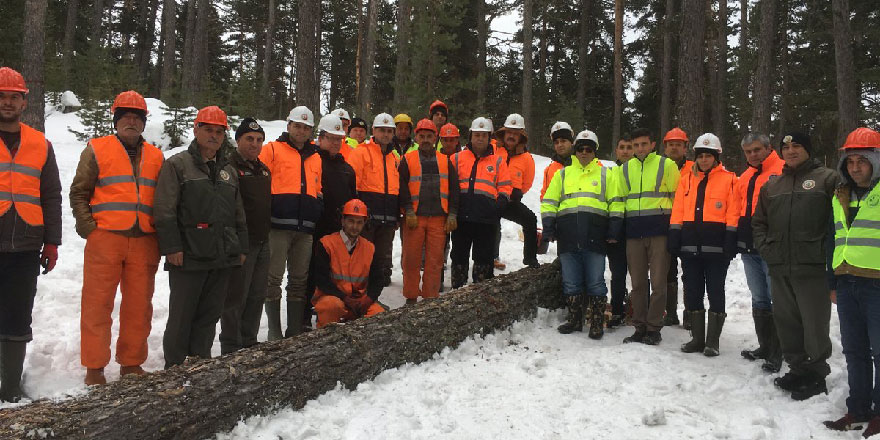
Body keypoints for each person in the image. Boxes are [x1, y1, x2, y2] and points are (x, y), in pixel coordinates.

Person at [69, 90, 163, 385]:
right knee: (97, 304)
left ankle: (131, 363)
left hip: (144, 240)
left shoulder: (157, 156)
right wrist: (89, 229)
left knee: (139, 306)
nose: (131, 122)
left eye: (137, 117)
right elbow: (79, 192)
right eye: (126, 117)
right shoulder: (97, 149)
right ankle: (94, 367)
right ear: (116, 120)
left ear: (144, 123)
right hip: (105, 238)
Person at [154, 105, 248, 369]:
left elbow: (238, 213)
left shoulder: (227, 170)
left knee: (208, 317)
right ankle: (174, 368)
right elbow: (164, 210)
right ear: (196, 130)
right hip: (188, 255)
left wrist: (241, 246)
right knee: (181, 318)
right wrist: (172, 246)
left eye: (219, 132)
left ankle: (199, 367)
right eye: (208, 130)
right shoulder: (177, 165)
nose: (214, 136)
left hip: (221, 256)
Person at [753, 131, 839, 401]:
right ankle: (797, 368)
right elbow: (758, 223)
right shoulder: (773, 185)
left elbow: (840, 222)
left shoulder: (828, 179)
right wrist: (767, 249)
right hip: (780, 265)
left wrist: (828, 253)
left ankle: (815, 373)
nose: (791, 151)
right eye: (786, 147)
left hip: (812, 266)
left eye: (797, 146)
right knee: (787, 321)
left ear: (808, 149)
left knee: (813, 322)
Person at [0, 67, 61, 402]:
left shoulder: (40, 144)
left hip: (25, 245)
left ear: (24, 102)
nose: (8, 102)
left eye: (14, 97)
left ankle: (10, 385)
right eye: (2, 96)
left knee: (17, 315)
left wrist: (52, 241)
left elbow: (51, 194)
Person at [823, 128, 880, 435]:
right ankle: (857, 409)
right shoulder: (840, 195)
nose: (856, 167)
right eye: (851, 161)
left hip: (877, 284)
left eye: (863, 160)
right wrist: (832, 281)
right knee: (854, 350)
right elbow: (834, 239)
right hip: (847, 282)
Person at [541, 129, 623, 339]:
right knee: (571, 281)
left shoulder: (607, 174)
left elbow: (616, 203)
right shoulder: (563, 174)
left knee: (595, 281)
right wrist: (549, 227)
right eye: (580, 149)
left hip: (596, 236)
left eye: (588, 149)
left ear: (595, 151)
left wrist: (614, 228)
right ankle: (575, 320)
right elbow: (549, 202)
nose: (584, 153)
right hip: (568, 236)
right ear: (575, 151)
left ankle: (596, 323)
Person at [668, 133, 739, 357]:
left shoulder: (729, 179)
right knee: (693, 292)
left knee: (716, 292)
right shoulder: (687, 179)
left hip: (717, 248)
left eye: (709, 155)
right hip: (690, 247)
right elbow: (678, 209)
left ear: (716, 157)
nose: (704, 160)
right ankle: (697, 339)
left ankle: (712, 341)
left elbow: (733, 212)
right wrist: (674, 235)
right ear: (696, 157)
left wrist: (730, 241)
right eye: (701, 156)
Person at [258, 106, 323, 339]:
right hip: (278, 225)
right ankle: (274, 331)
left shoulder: (316, 157)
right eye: (297, 126)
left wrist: (317, 206)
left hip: (305, 228)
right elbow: (259, 180)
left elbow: (318, 188)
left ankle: (294, 330)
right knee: (273, 278)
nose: (301, 131)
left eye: (306, 127)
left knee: (299, 280)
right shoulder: (273, 150)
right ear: (288, 126)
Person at [618, 127, 680, 345]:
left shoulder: (667, 165)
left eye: (644, 144)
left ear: (653, 145)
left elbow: (678, 198)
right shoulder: (625, 169)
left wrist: (675, 228)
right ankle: (639, 326)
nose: (640, 148)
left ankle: (654, 328)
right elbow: (621, 200)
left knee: (658, 282)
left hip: (659, 232)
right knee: (637, 284)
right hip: (634, 232)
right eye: (636, 145)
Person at [218, 118, 271, 354]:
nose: (255, 144)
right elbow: (226, 208)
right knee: (235, 296)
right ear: (238, 139)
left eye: (259, 140)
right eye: (249, 139)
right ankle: (231, 344)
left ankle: (249, 340)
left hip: (262, 240)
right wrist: (234, 243)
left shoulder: (263, 169)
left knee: (257, 294)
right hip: (241, 242)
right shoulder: (228, 168)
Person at [736, 132, 785, 372]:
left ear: (768, 148)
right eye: (748, 152)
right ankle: (765, 345)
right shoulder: (744, 176)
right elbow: (737, 208)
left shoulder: (784, 169)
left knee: (777, 297)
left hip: (773, 244)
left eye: (757, 150)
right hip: (748, 245)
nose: (753, 155)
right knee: (759, 298)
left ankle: (779, 351)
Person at [304, 114, 356, 330]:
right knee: (308, 276)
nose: (336, 143)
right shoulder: (311, 160)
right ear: (321, 137)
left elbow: (352, 200)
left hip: (338, 233)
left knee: (334, 275)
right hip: (314, 229)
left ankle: (332, 312)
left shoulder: (347, 169)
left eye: (339, 139)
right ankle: (303, 318)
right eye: (331, 138)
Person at [398, 119, 459, 303]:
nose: (425, 140)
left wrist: (452, 214)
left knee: (435, 261)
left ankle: (430, 297)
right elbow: (401, 188)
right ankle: (410, 297)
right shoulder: (407, 160)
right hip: (414, 217)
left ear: (435, 138)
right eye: (422, 136)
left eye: (429, 136)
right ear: (416, 137)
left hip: (438, 219)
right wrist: (408, 211)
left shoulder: (445, 161)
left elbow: (454, 189)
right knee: (411, 260)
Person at [450, 117, 511, 287]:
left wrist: (498, 207)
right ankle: (457, 290)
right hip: (461, 218)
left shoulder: (498, 161)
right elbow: (448, 185)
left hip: (486, 220)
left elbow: (505, 187)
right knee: (459, 256)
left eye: (484, 135)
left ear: (489, 137)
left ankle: (480, 294)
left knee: (483, 258)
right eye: (477, 134)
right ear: (470, 136)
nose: (480, 138)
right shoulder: (456, 158)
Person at [312, 199, 385, 327]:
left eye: (359, 222)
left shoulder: (370, 248)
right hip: (332, 298)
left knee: (379, 314)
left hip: (359, 301)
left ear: (364, 223)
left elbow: (378, 279)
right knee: (331, 306)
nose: (355, 226)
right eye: (351, 221)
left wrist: (368, 299)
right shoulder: (326, 244)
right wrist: (344, 298)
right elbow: (321, 279)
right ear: (342, 221)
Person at [348, 113, 400, 291]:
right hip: (366, 219)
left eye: (389, 131)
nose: (385, 134)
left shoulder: (395, 157)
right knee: (362, 259)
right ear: (374, 131)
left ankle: (372, 299)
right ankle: (357, 296)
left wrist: (397, 215)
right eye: (381, 130)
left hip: (388, 219)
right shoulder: (361, 152)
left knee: (380, 261)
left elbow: (398, 188)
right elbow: (351, 185)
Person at [494, 113, 539, 268]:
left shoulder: (527, 158)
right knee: (491, 224)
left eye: (516, 133)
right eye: (509, 132)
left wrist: (516, 193)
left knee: (530, 219)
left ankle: (530, 259)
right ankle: (491, 257)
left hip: (510, 201)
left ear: (521, 136)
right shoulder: (493, 149)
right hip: (491, 199)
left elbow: (528, 181)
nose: (512, 136)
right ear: (504, 133)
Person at [661, 127, 693, 327]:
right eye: (671, 144)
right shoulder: (659, 166)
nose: (674, 148)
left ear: (685, 147)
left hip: (689, 225)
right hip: (665, 224)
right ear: (665, 147)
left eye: (678, 144)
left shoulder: (695, 167)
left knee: (690, 271)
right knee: (667, 270)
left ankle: (691, 314)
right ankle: (670, 313)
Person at [607, 133, 634, 328]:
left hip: (636, 228)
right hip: (615, 229)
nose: (625, 151)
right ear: (616, 150)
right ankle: (617, 311)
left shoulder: (640, 171)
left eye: (629, 147)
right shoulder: (608, 173)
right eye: (622, 147)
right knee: (617, 273)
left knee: (640, 275)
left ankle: (641, 310)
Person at [539, 121, 573, 201]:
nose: (560, 145)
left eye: (563, 141)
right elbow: (545, 196)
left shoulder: (584, 164)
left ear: (571, 142)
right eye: (556, 142)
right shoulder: (549, 170)